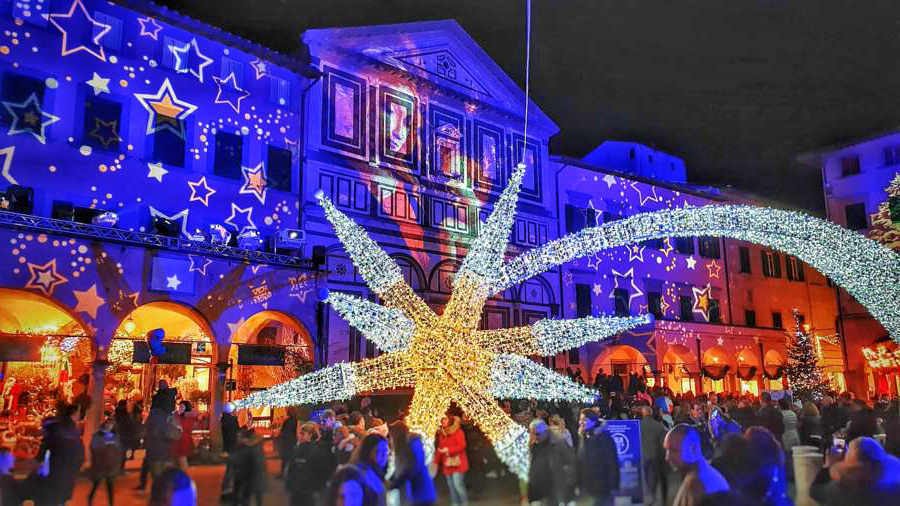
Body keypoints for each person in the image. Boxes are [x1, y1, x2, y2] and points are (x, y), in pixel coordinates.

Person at [810, 436, 900, 505]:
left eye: (849, 451)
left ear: (855, 459)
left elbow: (816, 491)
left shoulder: (845, 489)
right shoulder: (894, 482)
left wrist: (829, 465)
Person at [664, 424, 729, 506]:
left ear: (693, 449)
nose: (667, 457)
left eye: (673, 450)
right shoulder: (697, 475)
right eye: (666, 450)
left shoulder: (698, 484)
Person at [35, 403, 85, 506]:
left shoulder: (54, 434)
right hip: (67, 475)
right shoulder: (71, 431)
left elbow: (41, 456)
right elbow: (80, 454)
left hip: (56, 474)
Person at [387, 421, 436, 506]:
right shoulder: (401, 448)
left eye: (392, 434)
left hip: (422, 494)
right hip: (413, 496)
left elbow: (415, 466)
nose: (391, 438)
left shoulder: (413, 442)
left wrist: (396, 483)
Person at [528, 419, 576, 506]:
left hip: (554, 488)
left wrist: (570, 488)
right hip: (540, 488)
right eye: (532, 433)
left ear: (546, 431)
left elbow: (570, 463)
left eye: (537, 434)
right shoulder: (533, 444)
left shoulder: (559, 443)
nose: (534, 436)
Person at [577, 408, 619, 506]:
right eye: (580, 419)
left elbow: (612, 464)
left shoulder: (604, 438)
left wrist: (614, 488)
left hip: (602, 489)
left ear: (593, 421)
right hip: (587, 489)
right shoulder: (583, 437)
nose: (581, 422)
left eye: (584, 420)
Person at [285, 422, 330, 506]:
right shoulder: (297, 448)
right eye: (300, 433)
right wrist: (289, 485)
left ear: (310, 435)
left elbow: (321, 471)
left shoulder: (317, 450)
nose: (300, 436)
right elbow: (291, 468)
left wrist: (317, 489)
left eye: (303, 434)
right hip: (296, 490)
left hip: (309, 491)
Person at [88, 416, 124, 506]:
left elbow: (119, 449)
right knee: (96, 483)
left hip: (111, 464)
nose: (109, 426)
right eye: (108, 424)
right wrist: (104, 443)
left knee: (110, 486)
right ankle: (90, 499)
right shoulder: (98, 435)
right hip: (100, 464)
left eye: (111, 425)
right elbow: (93, 447)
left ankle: (111, 503)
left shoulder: (115, 436)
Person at [435, 415, 468, 506]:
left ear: (450, 420)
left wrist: (448, 450)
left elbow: (462, 445)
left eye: (445, 419)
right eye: (442, 419)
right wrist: (435, 462)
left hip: (458, 463)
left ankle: (464, 503)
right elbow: (440, 448)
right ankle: (455, 503)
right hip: (447, 464)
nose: (443, 421)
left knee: (458, 485)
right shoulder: (442, 434)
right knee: (451, 487)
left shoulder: (458, 431)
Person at [639, 405, 667, 505]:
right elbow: (662, 443)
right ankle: (652, 496)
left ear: (643, 413)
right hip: (655, 455)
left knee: (645, 478)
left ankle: (647, 497)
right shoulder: (658, 425)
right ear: (651, 413)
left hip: (642, 456)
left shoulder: (638, 425)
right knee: (652, 477)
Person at [231, 428, 267, 506]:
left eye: (239, 436)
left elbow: (255, 464)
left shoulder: (251, 448)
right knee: (247, 497)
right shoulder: (244, 446)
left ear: (245, 438)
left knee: (248, 497)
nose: (237, 438)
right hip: (245, 476)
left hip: (249, 477)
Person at [351, 434, 389, 506]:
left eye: (386, 451)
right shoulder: (362, 474)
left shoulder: (378, 472)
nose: (384, 455)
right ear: (368, 451)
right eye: (378, 451)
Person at [172, 401, 198, 470]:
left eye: (182, 407)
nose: (180, 408)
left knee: (182, 465)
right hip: (176, 444)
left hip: (183, 443)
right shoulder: (176, 416)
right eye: (179, 406)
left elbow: (188, 427)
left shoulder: (189, 417)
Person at [277, 409, 299, 479]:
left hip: (288, 441)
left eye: (288, 411)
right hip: (291, 441)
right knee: (289, 459)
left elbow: (283, 431)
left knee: (286, 458)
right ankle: (289, 474)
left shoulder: (289, 421)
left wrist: (281, 435)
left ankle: (284, 474)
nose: (286, 412)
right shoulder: (294, 421)